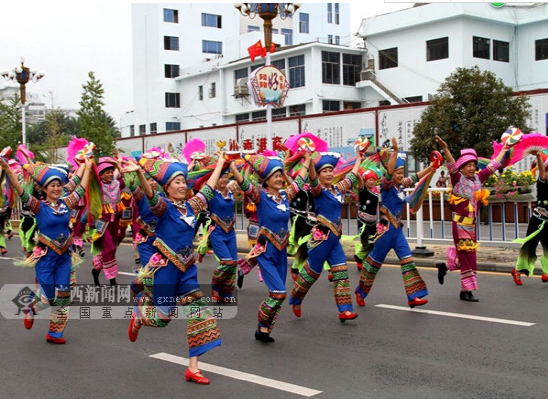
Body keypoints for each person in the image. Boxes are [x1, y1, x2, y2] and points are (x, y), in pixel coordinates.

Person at [122, 153, 226, 385]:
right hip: (165, 268)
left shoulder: (192, 206)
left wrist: (219, 163)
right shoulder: (163, 207)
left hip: (187, 268)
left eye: (183, 182)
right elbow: (149, 195)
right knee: (162, 318)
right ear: (167, 187)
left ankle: (193, 368)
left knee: (200, 315)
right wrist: (139, 171)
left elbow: (208, 188)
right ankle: (139, 316)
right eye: (176, 182)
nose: (181, 185)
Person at [0, 154, 92, 344]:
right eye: (52, 185)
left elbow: (81, 188)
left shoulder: (66, 203)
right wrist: (8, 170)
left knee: (64, 296)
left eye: (59, 185)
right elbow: (20, 191)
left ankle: (55, 333)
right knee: (49, 297)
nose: (57, 188)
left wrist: (88, 167)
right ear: (44, 189)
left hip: (64, 257)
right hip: (45, 259)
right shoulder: (37, 206)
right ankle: (32, 307)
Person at [231, 151, 311, 342]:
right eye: (275, 176)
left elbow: (299, 182)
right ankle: (261, 322)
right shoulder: (260, 196)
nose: (279, 179)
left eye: (280, 175)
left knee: (277, 292)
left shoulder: (285, 196)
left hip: (282, 253)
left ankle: (264, 329)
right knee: (279, 293)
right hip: (266, 251)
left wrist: (307, 160)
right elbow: (244, 184)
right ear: (266, 180)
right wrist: (232, 166)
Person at [355, 137, 432, 308]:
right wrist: (395, 152)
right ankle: (360, 291)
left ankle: (414, 296)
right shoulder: (387, 185)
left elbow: (415, 176)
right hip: (385, 230)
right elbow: (389, 173)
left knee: (407, 260)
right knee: (374, 264)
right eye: (398, 172)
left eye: (401, 172)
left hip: (397, 230)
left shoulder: (400, 185)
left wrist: (432, 167)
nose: (400, 175)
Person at [289, 152, 362, 322]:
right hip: (320, 240)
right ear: (319, 175)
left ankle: (344, 310)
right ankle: (296, 298)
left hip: (335, 240)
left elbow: (351, 177)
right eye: (325, 171)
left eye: (331, 170)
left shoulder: (338, 189)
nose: (329, 174)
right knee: (311, 275)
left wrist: (359, 159)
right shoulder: (317, 191)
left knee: (341, 272)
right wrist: (312, 162)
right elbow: (313, 179)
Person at [435, 134, 508, 301]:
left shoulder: (478, 179)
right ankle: (465, 291)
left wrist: (504, 150)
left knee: (466, 257)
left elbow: (493, 165)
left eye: (474, 165)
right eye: (468, 165)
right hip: (460, 225)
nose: (472, 168)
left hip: (472, 226)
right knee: (469, 258)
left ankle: (444, 267)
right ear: (461, 168)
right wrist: (446, 148)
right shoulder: (457, 179)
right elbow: (451, 164)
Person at [512, 150, 548, 285]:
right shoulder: (543, 184)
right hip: (537, 221)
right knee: (529, 247)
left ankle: (547, 273)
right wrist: (539, 156)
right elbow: (542, 171)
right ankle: (517, 270)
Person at [91, 157, 124, 286]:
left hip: (115, 220)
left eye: (111, 171)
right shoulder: (97, 186)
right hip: (102, 221)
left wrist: (116, 164)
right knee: (109, 247)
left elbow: (121, 173)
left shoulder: (116, 183)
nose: (110, 174)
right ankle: (112, 279)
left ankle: (96, 269)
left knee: (112, 248)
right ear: (100, 175)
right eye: (107, 172)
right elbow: (91, 178)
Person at [354, 170, 380, 271]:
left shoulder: (375, 191)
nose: (371, 182)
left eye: (373, 179)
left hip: (373, 222)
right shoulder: (363, 190)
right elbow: (360, 180)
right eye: (369, 179)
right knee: (367, 242)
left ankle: (362, 258)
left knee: (374, 241)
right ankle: (360, 257)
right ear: (365, 181)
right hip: (363, 221)